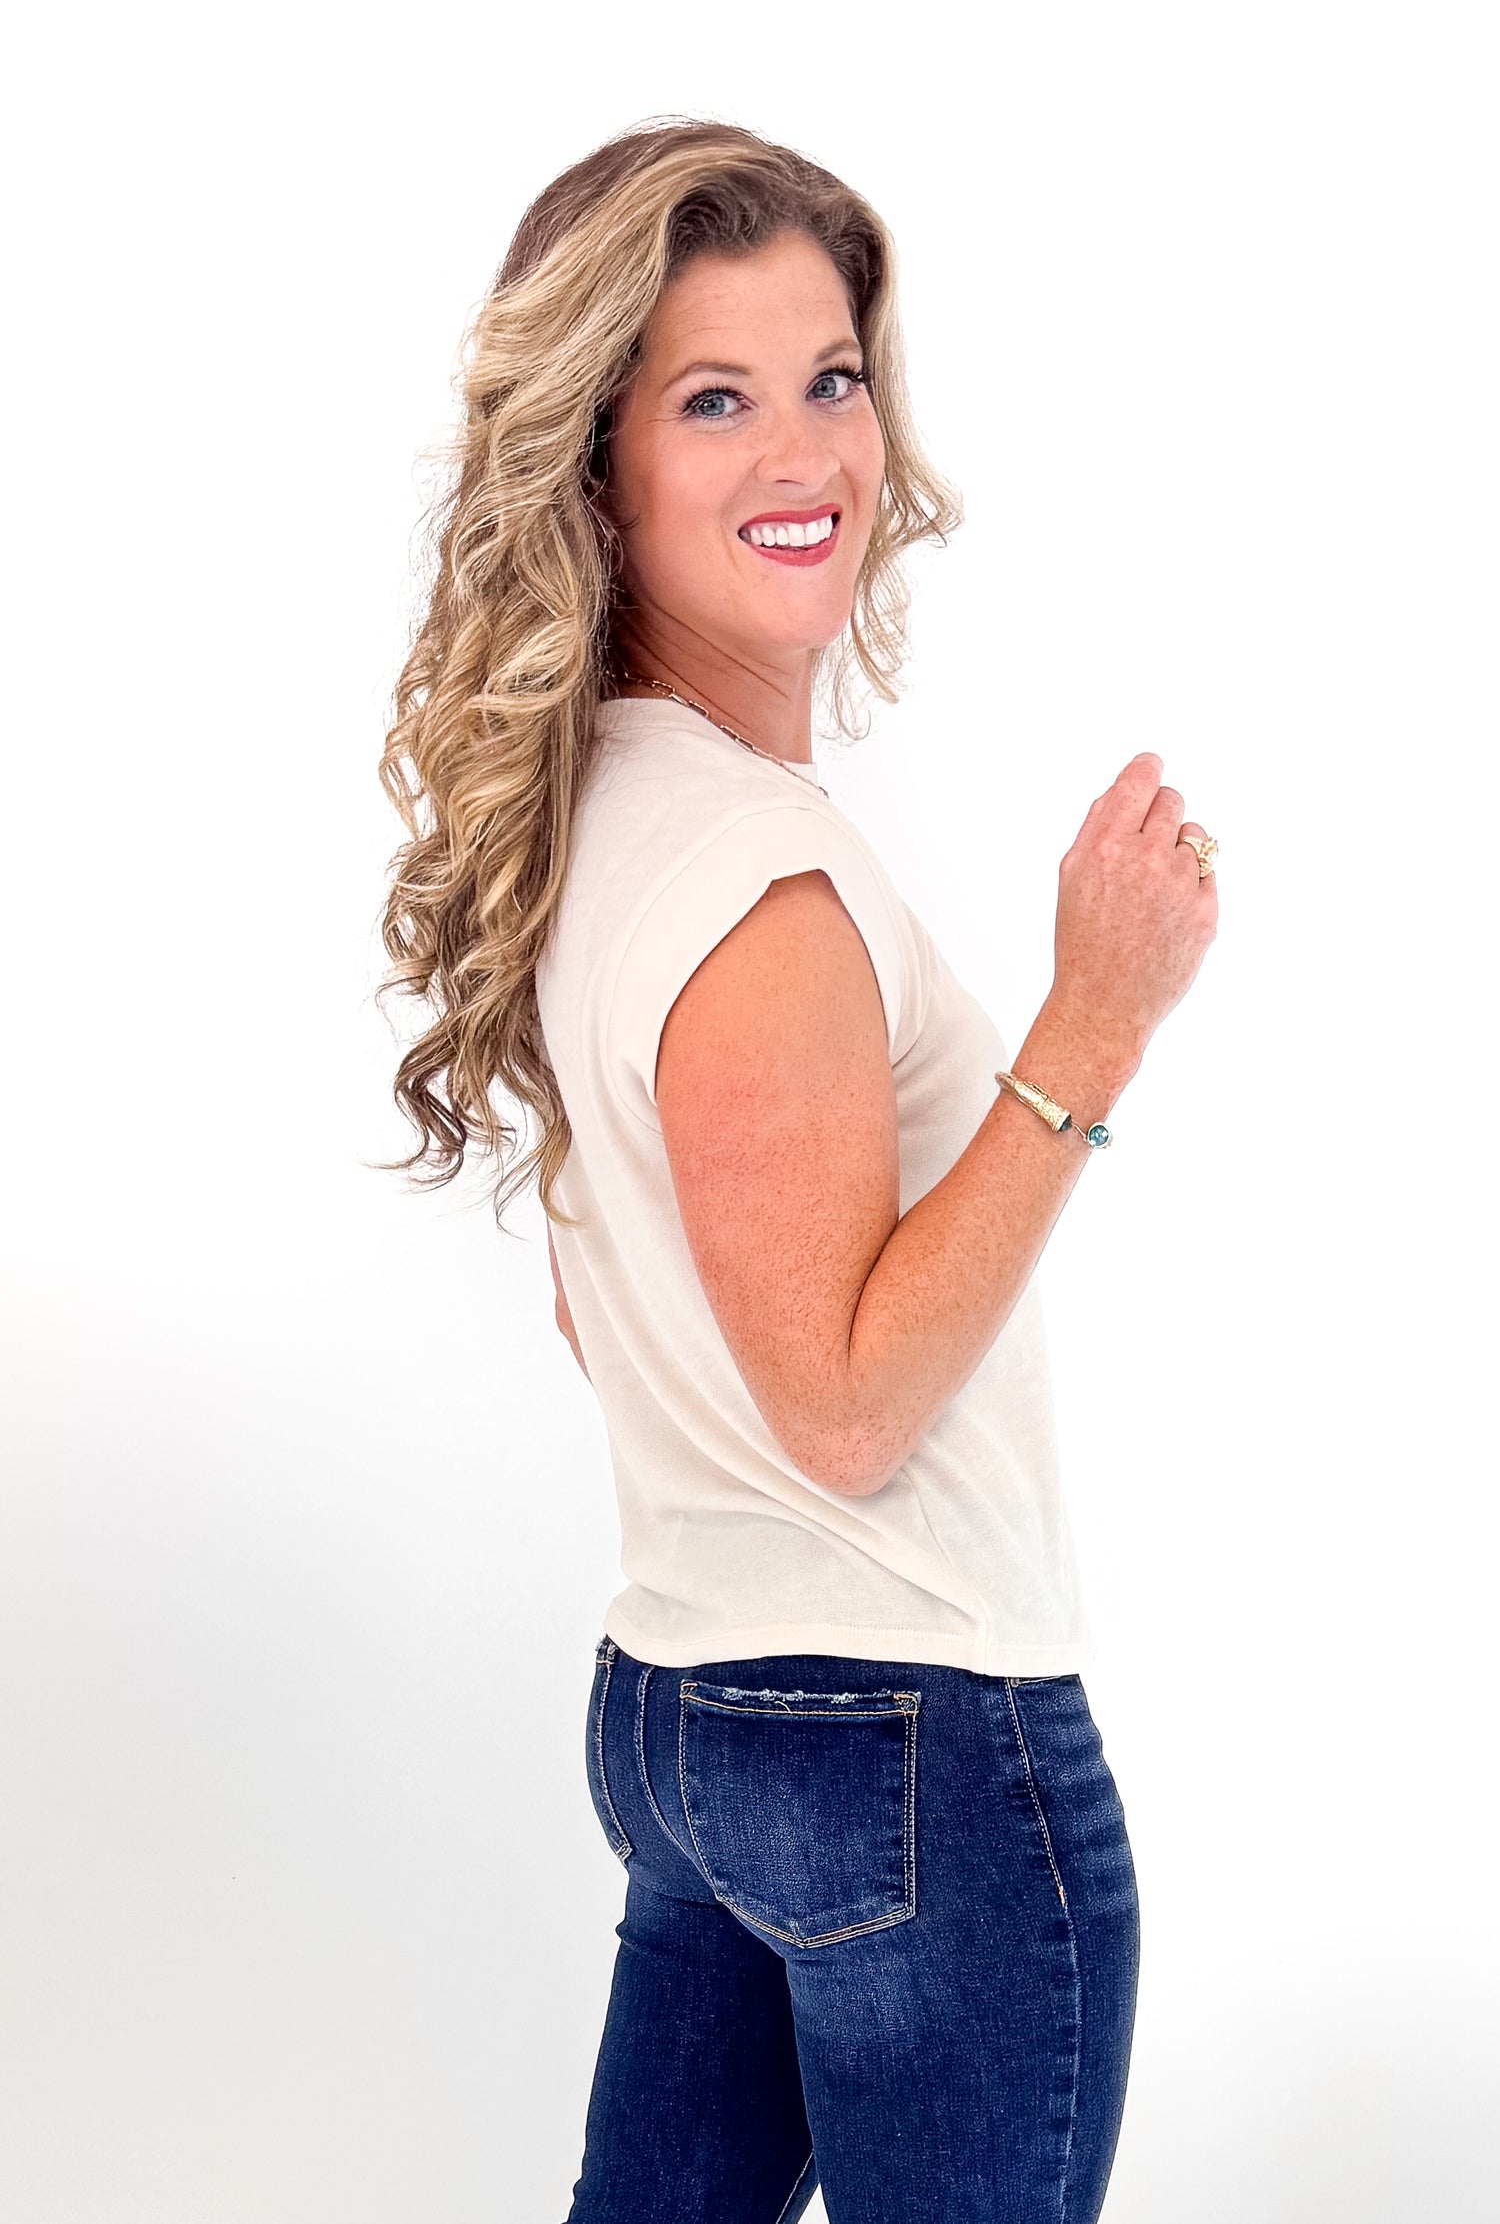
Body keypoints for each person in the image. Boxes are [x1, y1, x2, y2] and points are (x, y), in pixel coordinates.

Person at [377, 116, 1218, 2224]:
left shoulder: (599, 826)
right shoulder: (756, 882)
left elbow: (619, 1304)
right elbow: (837, 1409)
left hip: (695, 1720)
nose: (806, 456)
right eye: (715, 399)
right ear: (598, 457)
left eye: (830, 378)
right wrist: (1093, 1022)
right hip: (914, 1744)